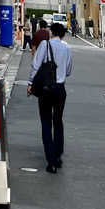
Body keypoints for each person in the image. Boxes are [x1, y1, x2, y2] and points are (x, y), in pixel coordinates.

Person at [26, 22, 72, 173]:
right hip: (60, 89)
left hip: (45, 89)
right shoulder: (67, 48)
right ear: (63, 34)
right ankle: (58, 156)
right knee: (58, 122)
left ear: (51, 33)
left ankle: (50, 161)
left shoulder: (44, 45)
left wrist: (30, 83)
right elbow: (68, 71)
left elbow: (35, 65)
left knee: (46, 123)